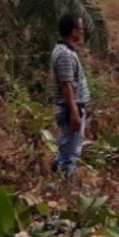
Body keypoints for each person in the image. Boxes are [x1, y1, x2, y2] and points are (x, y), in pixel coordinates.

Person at [51, 14, 91, 176]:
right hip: (70, 109)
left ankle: (58, 176)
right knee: (71, 154)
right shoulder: (65, 55)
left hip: (70, 107)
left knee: (65, 148)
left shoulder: (65, 51)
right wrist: (74, 113)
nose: (82, 32)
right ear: (73, 31)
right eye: (81, 29)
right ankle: (66, 184)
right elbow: (66, 85)